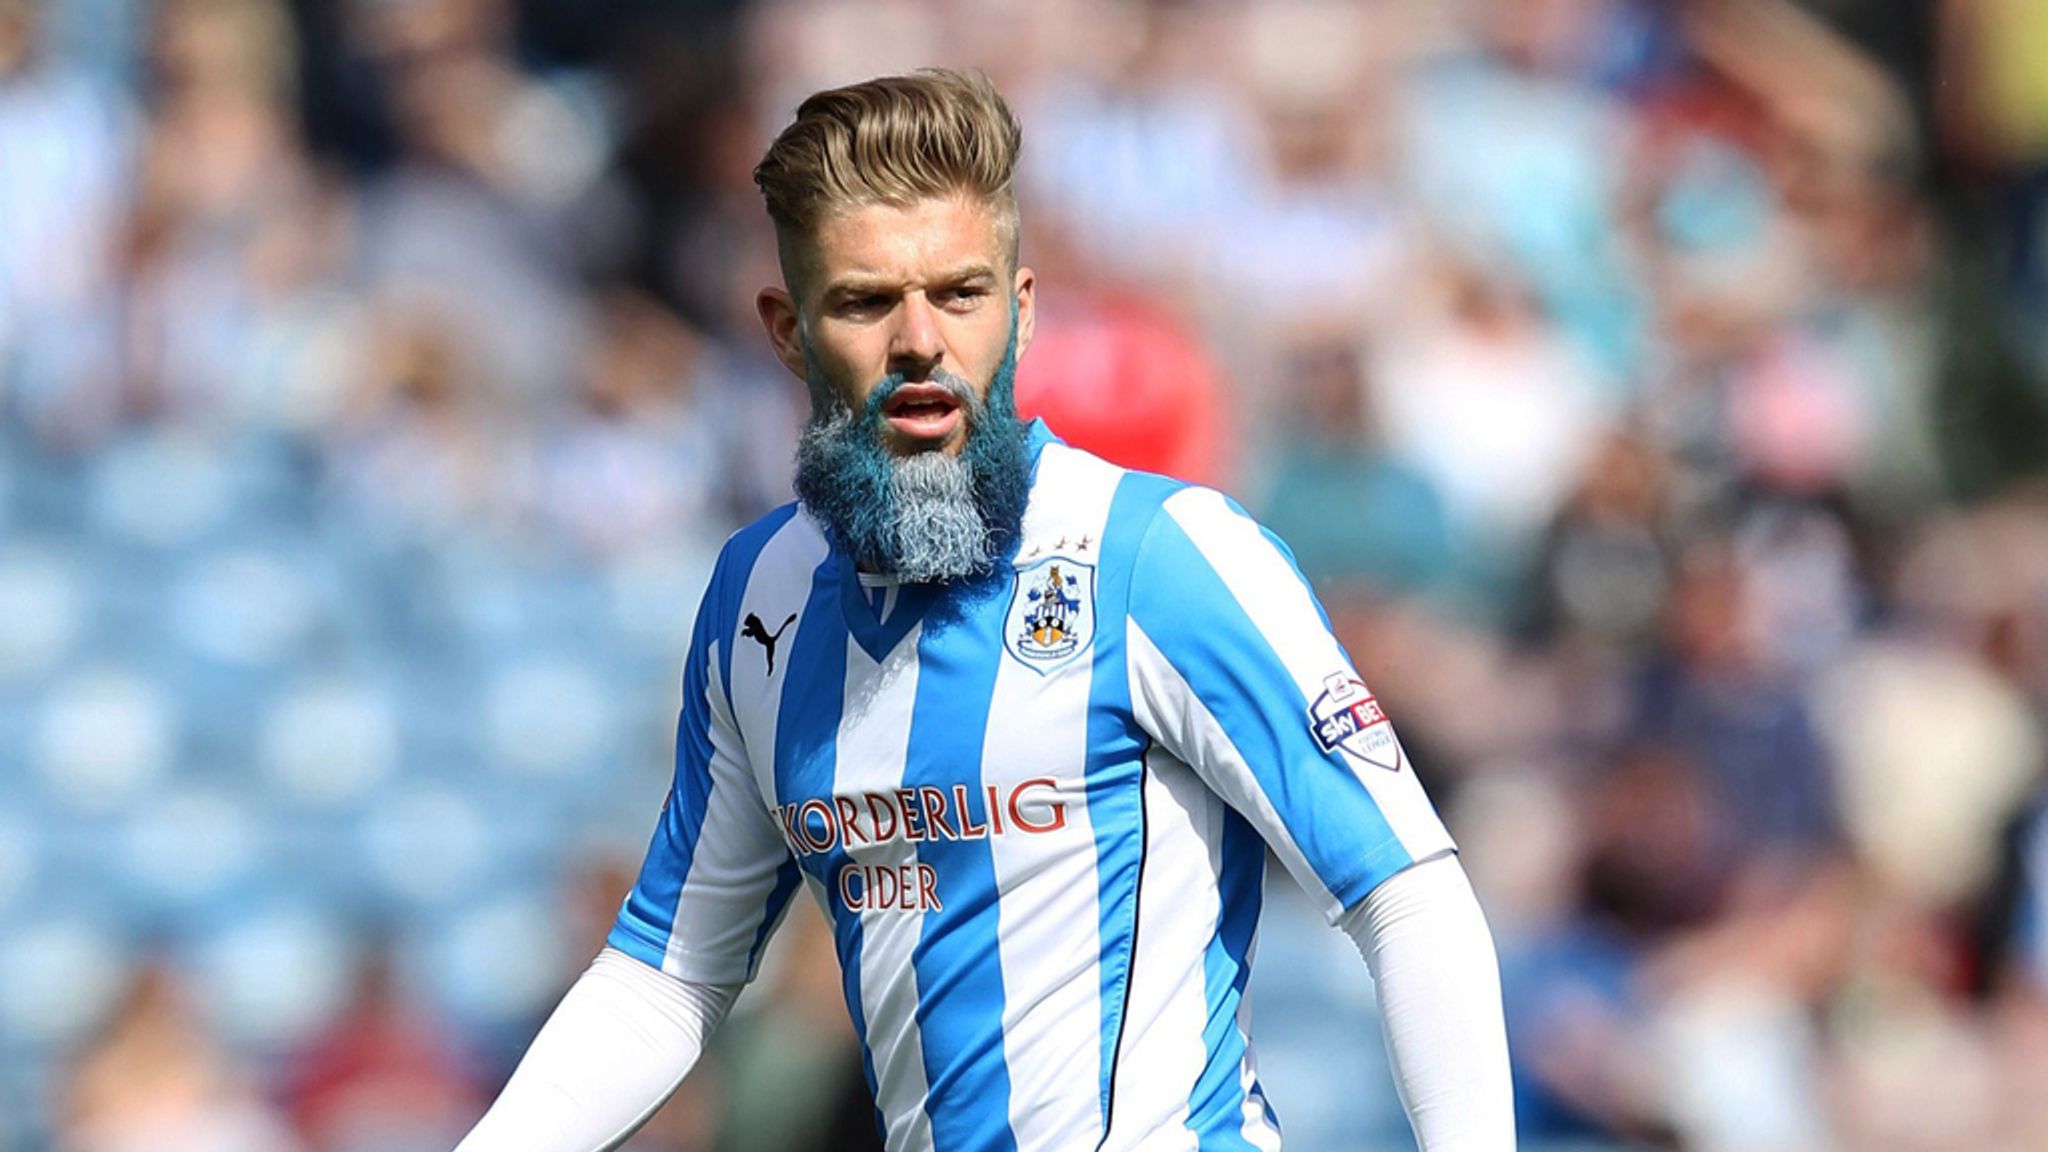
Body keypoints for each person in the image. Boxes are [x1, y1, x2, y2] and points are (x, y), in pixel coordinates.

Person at [456, 68, 1513, 1152]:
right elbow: (666, 979)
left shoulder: (1163, 558)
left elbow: (1406, 896)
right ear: (785, 329)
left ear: (1021, 308)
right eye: (866, 301)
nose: (920, 339)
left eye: (960, 293)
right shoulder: (756, 597)